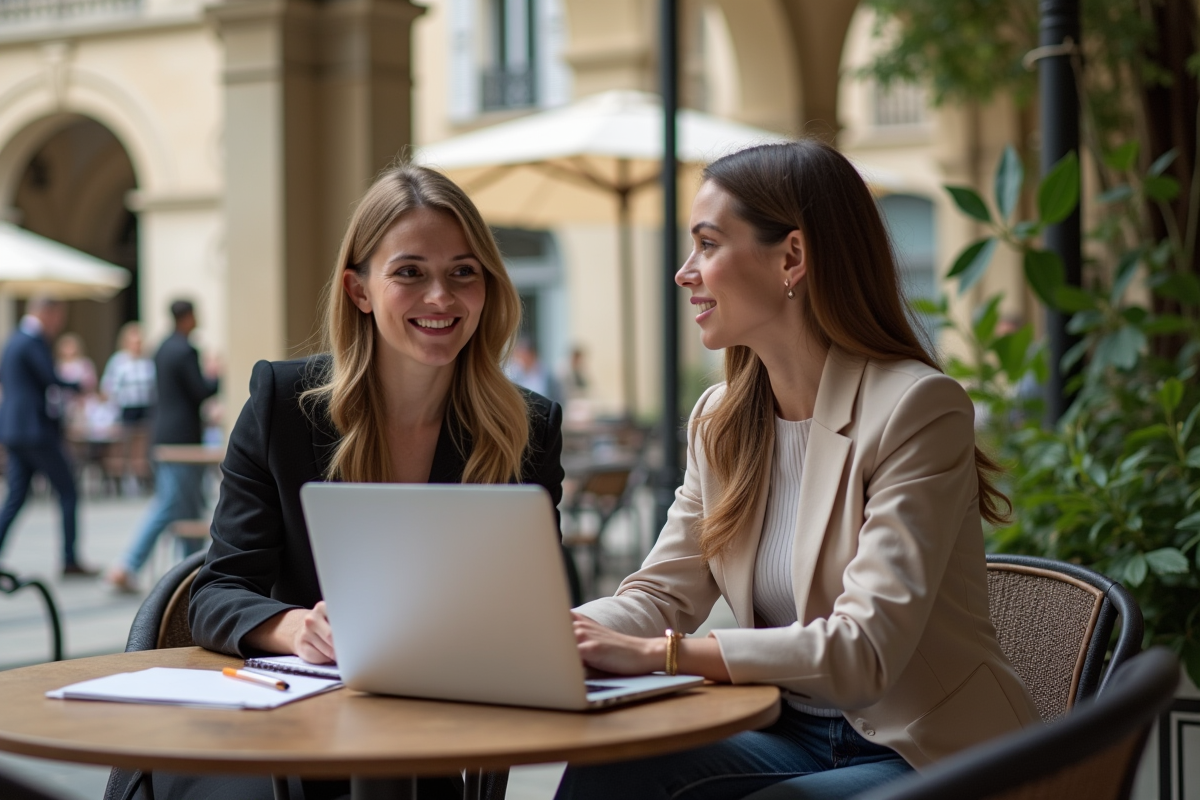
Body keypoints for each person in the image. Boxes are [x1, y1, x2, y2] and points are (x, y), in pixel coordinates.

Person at [556, 141, 1040, 800]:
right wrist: (547, 636)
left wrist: (663, 655)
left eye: (706, 244)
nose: (683, 273)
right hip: (790, 731)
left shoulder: (915, 408)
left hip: (929, 748)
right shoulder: (720, 419)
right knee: (610, 767)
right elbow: (662, 596)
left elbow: (864, 651)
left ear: (792, 257)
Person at [148, 165, 564, 800]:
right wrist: (294, 628)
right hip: (283, 741)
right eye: (409, 272)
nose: (441, 298)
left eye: (463, 272)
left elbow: (530, 611)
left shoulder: (525, 427)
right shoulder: (283, 404)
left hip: (427, 739)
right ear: (359, 289)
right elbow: (217, 591)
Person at [105, 302, 218, 592]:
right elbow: (201, 391)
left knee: (188, 505)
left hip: (162, 433)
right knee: (172, 503)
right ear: (188, 316)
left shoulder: (162, 348)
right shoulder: (185, 350)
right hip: (183, 438)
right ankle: (129, 564)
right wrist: (216, 375)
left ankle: (195, 571)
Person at [0, 297, 95, 575]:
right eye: (58, 315)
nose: (59, 322)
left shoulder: (14, 340)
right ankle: (69, 560)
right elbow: (50, 378)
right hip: (34, 430)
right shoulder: (31, 341)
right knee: (67, 490)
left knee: (16, 496)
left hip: (15, 428)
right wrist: (79, 384)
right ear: (47, 312)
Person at [99, 321, 156, 494]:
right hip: (125, 407)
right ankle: (120, 478)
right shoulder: (118, 362)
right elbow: (109, 388)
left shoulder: (147, 362)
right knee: (123, 442)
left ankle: (141, 477)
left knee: (142, 443)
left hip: (144, 406)